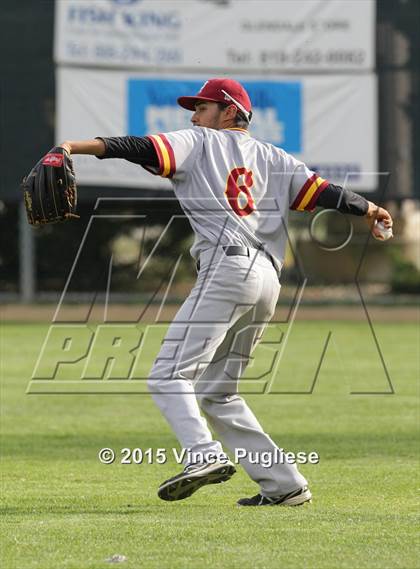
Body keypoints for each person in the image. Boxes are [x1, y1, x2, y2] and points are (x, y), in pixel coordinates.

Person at [60, 78, 393, 506]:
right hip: (268, 281)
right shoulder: (276, 157)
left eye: (202, 108)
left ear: (231, 112)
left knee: (168, 375)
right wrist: (369, 208)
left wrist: (71, 146)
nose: (194, 117)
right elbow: (325, 192)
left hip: (228, 269)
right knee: (218, 390)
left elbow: (138, 147)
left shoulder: (199, 142)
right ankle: (284, 486)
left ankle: (203, 455)